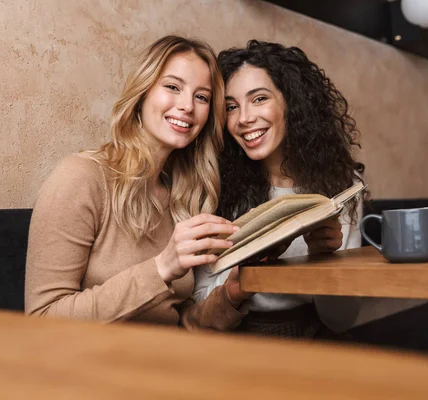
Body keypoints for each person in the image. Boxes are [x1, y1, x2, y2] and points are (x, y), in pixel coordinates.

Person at [25, 35, 248, 331]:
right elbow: (43, 322)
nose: (187, 106)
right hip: (90, 369)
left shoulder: (181, 195)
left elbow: (179, 322)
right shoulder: (81, 177)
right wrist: (161, 268)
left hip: (163, 364)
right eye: (172, 87)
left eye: (201, 97)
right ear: (142, 93)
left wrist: (231, 296)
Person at [193, 40, 366, 338]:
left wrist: (322, 258)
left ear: (292, 103)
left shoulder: (341, 185)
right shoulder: (212, 186)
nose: (244, 118)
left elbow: (341, 321)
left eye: (259, 99)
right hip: (236, 341)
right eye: (231, 107)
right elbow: (199, 311)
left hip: (316, 338)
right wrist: (245, 278)